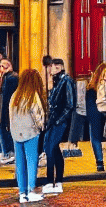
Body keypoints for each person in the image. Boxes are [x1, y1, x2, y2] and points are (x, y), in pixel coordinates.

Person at [9, 68, 47, 203]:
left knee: (20, 164)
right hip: (30, 132)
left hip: (16, 133)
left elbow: (11, 116)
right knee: (31, 162)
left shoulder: (15, 95)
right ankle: (31, 190)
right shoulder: (33, 95)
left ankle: (22, 193)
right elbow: (38, 115)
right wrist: (41, 127)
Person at [42, 58, 74, 194]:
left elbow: (70, 104)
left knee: (51, 148)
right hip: (54, 121)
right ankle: (57, 181)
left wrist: (58, 120)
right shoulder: (58, 81)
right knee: (53, 149)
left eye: (53, 67)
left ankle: (51, 181)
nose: (51, 70)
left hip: (59, 121)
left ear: (60, 67)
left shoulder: (66, 81)